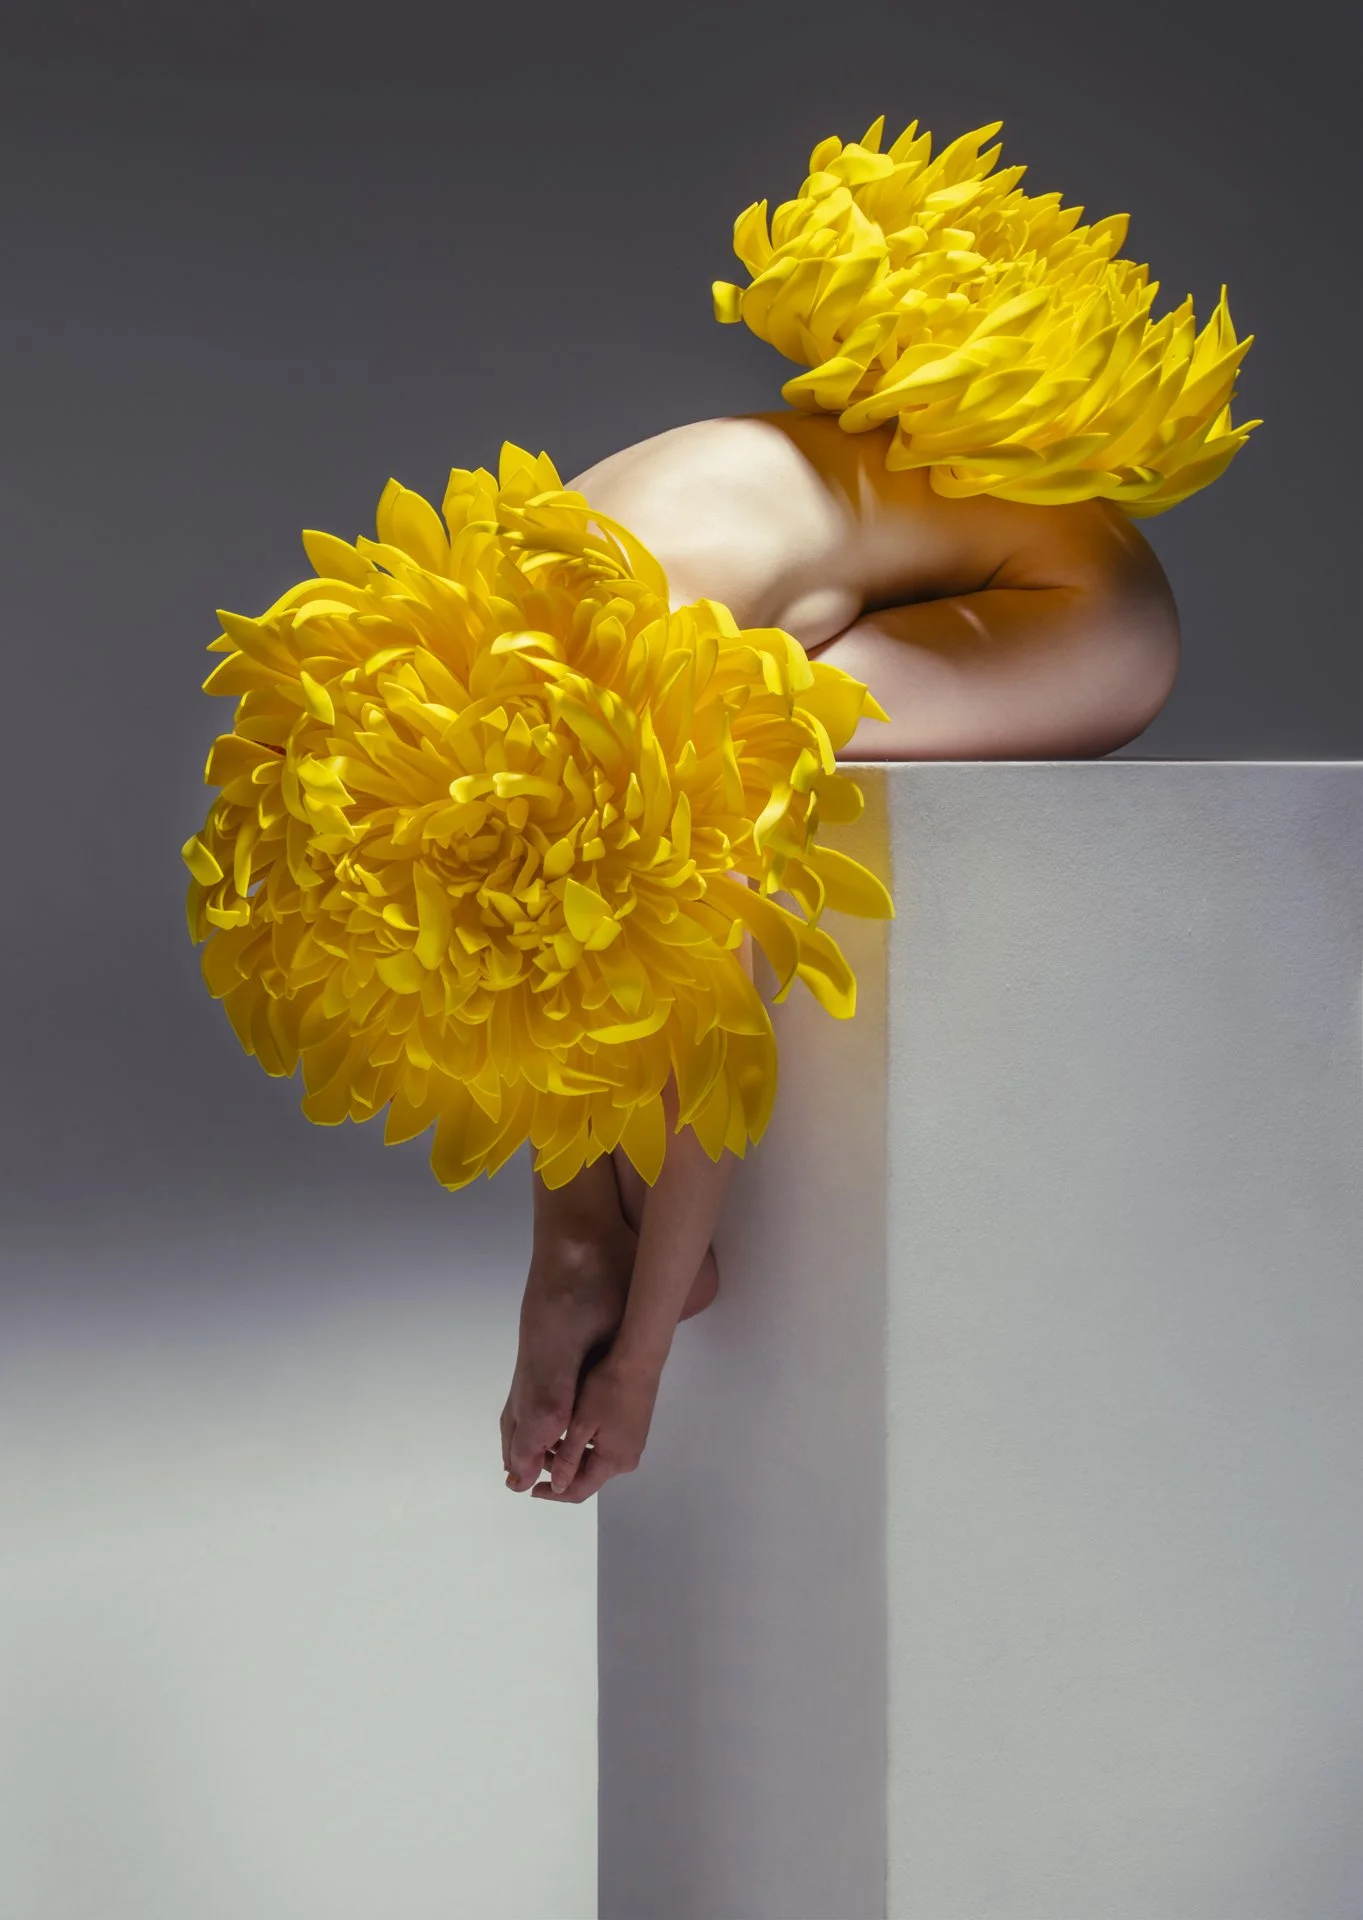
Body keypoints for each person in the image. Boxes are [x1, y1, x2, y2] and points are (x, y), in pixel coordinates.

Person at [501, 406, 1182, 1504]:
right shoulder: (499, 599)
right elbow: (543, 915)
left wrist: (638, 1364)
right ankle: (586, 1247)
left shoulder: (661, 695)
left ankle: (593, 1255)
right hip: (926, 560)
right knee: (624, 880)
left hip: (1086, 608)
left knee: (757, 778)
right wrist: (565, 1238)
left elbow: (712, 1048)